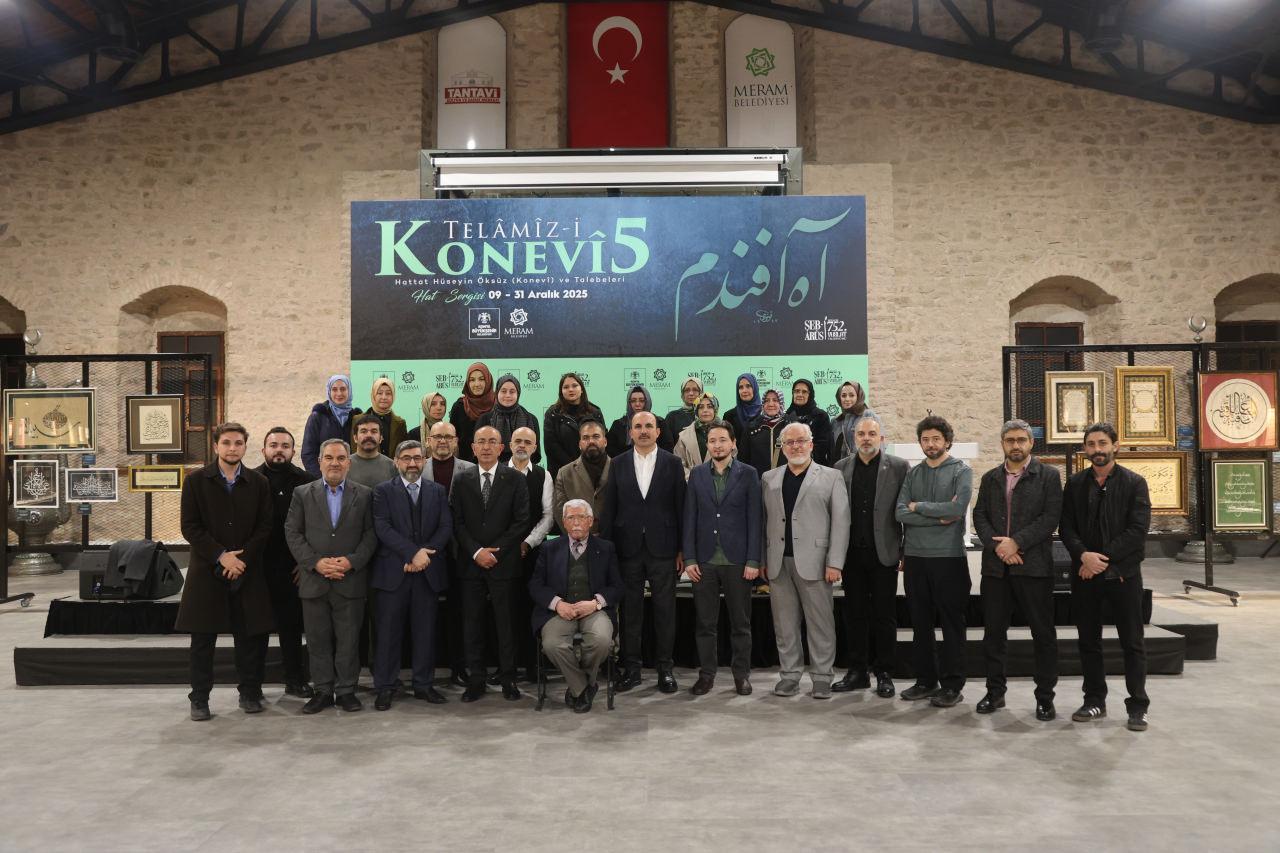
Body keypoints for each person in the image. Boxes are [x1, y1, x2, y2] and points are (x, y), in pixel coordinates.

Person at [175, 422, 274, 721]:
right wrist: (221, 556)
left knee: (250, 639)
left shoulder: (259, 483)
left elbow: (265, 526)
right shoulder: (195, 481)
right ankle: (199, 699)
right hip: (207, 570)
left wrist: (240, 560)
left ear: (245, 446)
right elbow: (190, 527)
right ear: (216, 445)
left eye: (238, 443)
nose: (233, 448)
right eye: (227, 443)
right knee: (202, 642)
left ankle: (250, 693)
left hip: (247, 569)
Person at [1060, 422, 1152, 732]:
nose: (1097, 449)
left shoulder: (1134, 483)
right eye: (1091, 444)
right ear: (1085, 449)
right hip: (1085, 574)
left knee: (1132, 643)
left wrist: (1100, 558)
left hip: (1122, 575)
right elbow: (1066, 527)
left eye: (1102, 443)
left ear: (1115, 446)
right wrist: (1083, 555)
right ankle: (1094, 700)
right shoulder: (1075, 484)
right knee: (1089, 641)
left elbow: (1137, 531)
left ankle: (1138, 706)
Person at [972, 418, 1062, 721]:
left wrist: (1016, 543)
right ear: (1002, 443)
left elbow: (1050, 517)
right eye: (1010, 440)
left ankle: (1045, 698)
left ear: (1031, 443)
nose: (1015, 445)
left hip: (1033, 567)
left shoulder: (1048, 476)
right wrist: (998, 546)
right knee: (993, 635)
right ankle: (994, 692)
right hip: (996, 569)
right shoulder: (990, 478)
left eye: (1021, 440)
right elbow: (980, 515)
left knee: (1043, 635)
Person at [284, 438, 377, 714]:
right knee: (317, 641)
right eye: (329, 458)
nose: (334, 463)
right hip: (314, 580)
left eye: (340, 458)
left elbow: (371, 534)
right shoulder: (302, 493)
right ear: (319, 462)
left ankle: (346, 691)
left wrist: (351, 562)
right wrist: (315, 562)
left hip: (350, 580)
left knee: (349, 641)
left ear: (349, 462)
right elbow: (292, 532)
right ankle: (323, 691)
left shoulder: (365, 494)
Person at [760, 422, 849, 699]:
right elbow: (763, 521)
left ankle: (822, 677)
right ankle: (789, 676)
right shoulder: (769, 478)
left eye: (801, 441)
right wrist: (763, 559)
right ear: (783, 447)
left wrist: (835, 562)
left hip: (817, 564)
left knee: (820, 624)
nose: (795, 446)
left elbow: (841, 522)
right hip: (778, 563)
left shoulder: (831, 477)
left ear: (811, 444)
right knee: (784, 626)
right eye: (790, 442)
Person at [599, 410, 686, 694]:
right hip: (628, 549)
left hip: (664, 549)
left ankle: (665, 670)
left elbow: (681, 508)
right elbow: (610, 508)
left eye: (649, 426)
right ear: (631, 432)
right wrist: (608, 552)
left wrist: (682, 549)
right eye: (638, 426)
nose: (644, 430)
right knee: (631, 614)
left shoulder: (673, 463)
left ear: (658, 432)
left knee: (665, 612)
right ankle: (632, 670)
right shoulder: (618, 463)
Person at [895, 414, 974, 708]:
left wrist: (918, 508)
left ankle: (953, 685)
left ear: (947, 441)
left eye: (936, 439)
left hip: (948, 557)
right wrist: (936, 516)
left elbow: (957, 509)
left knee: (952, 624)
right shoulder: (913, 473)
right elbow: (900, 512)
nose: (930, 444)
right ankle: (926, 681)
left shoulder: (961, 471)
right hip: (915, 558)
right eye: (925, 439)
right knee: (920, 622)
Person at [370, 440, 454, 710]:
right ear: (396, 461)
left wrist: (423, 557)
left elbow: (445, 527)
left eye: (417, 458)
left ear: (424, 460)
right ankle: (385, 686)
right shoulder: (382, 491)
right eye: (406, 458)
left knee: (425, 632)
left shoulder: (437, 491)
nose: (412, 463)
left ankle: (423, 685)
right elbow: (382, 528)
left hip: (427, 574)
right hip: (393, 574)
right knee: (388, 634)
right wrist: (411, 554)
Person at [451, 425, 531, 702]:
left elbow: (522, 520)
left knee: (506, 625)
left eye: (491, 442)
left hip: (504, 563)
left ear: (501, 448)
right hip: (470, 564)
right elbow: (457, 522)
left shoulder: (515, 479)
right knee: (472, 625)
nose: (486, 447)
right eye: (481, 442)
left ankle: (509, 678)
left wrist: (496, 552)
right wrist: (476, 552)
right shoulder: (461, 480)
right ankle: (476, 680)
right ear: (472, 448)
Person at [832, 411, 908, 698]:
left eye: (872, 434)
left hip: (884, 553)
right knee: (855, 615)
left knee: (884, 616)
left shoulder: (899, 467)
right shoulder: (840, 468)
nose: (866, 439)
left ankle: (884, 672)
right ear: (854, 438)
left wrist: (905, 550)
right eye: (861, 434)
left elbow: (906, 510)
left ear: (881, 438)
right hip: (851, 554)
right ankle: (858, 671)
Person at [682, 419, 760, 696]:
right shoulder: (697, 475)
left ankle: (742, 675)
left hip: (738, 562)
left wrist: (753, 560)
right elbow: (689, 517)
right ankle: (707, 675)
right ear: (708, 444)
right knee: (705, 625)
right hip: (704, 562)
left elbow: (755, 519)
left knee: (741, 624)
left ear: (733, 443)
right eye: (712, 441)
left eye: (722, 440)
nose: (717, 445)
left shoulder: (748, 474)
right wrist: (690, 559)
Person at [529, 499, 624, 713]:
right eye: (570, 518)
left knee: (601, 641)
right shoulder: (549, 548)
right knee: (552, 644)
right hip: (559, 612)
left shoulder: (606, 548)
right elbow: (535, 585)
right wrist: (557, 604)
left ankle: (577, 688)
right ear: (563, 522)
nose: (576, 522)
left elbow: (617, 586)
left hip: (594, 610)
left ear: (590, 521)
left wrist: (596, 603)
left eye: (581, 517)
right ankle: (583, 687)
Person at [254, 426, 316, 699]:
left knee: (291, 628)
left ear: (293, 450)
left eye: (285, 446)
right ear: (264, 450)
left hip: (293, 568)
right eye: (274, 445)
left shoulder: (307, 481)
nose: (279, 450)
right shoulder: (251, 480)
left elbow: (314, 526)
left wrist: (305, 562)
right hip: (258, 567)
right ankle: (252, 687)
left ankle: (295, 679)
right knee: (256, 629)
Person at [422, 420, 476, 687]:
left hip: (460, 553)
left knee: (459, 613)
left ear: (456, 441)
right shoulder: (417, 468)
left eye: (448, 437)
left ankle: (459, 666)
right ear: (428, 441)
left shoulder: (471, 470)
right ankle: (426, 670)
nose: (442, 441)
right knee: (426, 614)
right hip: (427, 552)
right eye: (437, 436)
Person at [509, 425, 554, 682]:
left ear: (535, 447)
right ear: (510, 444)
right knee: (507, 611)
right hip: (503, 554)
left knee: (533, 609)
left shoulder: (543, 475)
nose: (522, 445)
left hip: (534, 554)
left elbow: (548, 516)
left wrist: (527, 543)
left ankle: (533, 665)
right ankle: (507, 668)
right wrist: (509, 545)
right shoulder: (498, 472)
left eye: (527, 442)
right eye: (518, 440)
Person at [552, 420, 611, 536]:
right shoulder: (564, 473)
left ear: (605, 441)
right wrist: (579, 536)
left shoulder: (619, 468)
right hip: (577, 540)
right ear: (579, 444)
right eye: (585, 438)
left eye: (596, 436)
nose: (591, 441)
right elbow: (560, 512)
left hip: (613, 540)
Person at [543, 371, 605, 478]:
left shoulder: (595, 412)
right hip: (563, 472)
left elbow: (602, 441)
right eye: (566, 387)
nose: (570, 389)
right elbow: (551, 446)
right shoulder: (553, 413)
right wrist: (574, 467)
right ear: (561, 391)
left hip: (592, 470)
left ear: (582, 389)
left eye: (575, 385)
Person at [301, 374, 362, 477]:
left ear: (349, 391)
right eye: (334, 389)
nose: (339, 393)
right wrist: (322, 478)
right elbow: (308, 453)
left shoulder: (357, 417)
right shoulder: (318, 416)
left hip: (353, 479)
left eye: (343, 389)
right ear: (329, 391)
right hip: (324, 478)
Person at [476, 374, 540, 463]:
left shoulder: (530, 419)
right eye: (503, 391)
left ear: (518, 394)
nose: (508, 395)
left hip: (522, 468)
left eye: (512, 392)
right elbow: (478, 451)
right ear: (497, 393)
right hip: (492, 469)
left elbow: (535, 453)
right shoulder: (485, 419)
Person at [607, 385, 673, 457]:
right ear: (629, 403)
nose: (637, 404)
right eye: (633, 401)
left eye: (641, 401)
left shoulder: (660, 422)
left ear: (647, 402)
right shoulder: (618, 424)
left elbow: (668, 448)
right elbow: (611, 450)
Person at [450, 362, 495, 463]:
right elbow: (453, 439)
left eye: (481, 379)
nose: (477, 384)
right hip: (465, 465)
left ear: (488, 380)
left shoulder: (497, 405)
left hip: (494, 464)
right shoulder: (459, 406)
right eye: (472, 380)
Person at [354, 377, 407, 458]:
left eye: (388, 393)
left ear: (393, 396)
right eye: (379, 393)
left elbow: (403, 451)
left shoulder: (400, 423)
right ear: (373, 395)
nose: (384, 397)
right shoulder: (357, 420)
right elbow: (354, 449)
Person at [740, 388, 787, 477]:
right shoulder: (751, 427)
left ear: (781, 403)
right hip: (757, 481)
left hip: (785, 480)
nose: (770, 404)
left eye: (775, 400)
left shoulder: (790, 426)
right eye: (767, 401)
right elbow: (743, 459)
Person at [786, 378, 833, 465]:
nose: (800, 394)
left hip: (815, 466)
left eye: (804, 392)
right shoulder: (786, 416)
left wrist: (802, 454)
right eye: (797, 391)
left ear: (810, 395)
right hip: (790, 465)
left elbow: (824, 445)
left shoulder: (820, 416)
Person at [673, 392, 719, 479]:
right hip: (691, 482)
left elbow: (732, 458)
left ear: (715, 410)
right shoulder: (684, 436)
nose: (705, 410)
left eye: (709, 406)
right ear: (696, 411)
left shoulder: (726, 433)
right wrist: (694, 478)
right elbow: (678, 462)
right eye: (701, 407)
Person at [347, 413, 397, 488]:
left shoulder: (393, 467)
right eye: (363, 431)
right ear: (355, 438)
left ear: (381, 438)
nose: (369, 435)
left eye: (374, 431)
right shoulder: (344, 465)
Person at [830, 381, 869, 463]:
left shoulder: (868, 417)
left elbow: (877, 447)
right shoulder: (835, 421)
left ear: (859, 397)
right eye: (844, 395)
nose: (847, 399)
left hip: (860, 466)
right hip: (837, 467)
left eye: (851, 395)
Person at [723, 372, 762, 449]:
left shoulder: (764, 413)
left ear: (755, 388)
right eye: (741, 387)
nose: (744, 390)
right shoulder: (729, 416)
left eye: (748, 386)